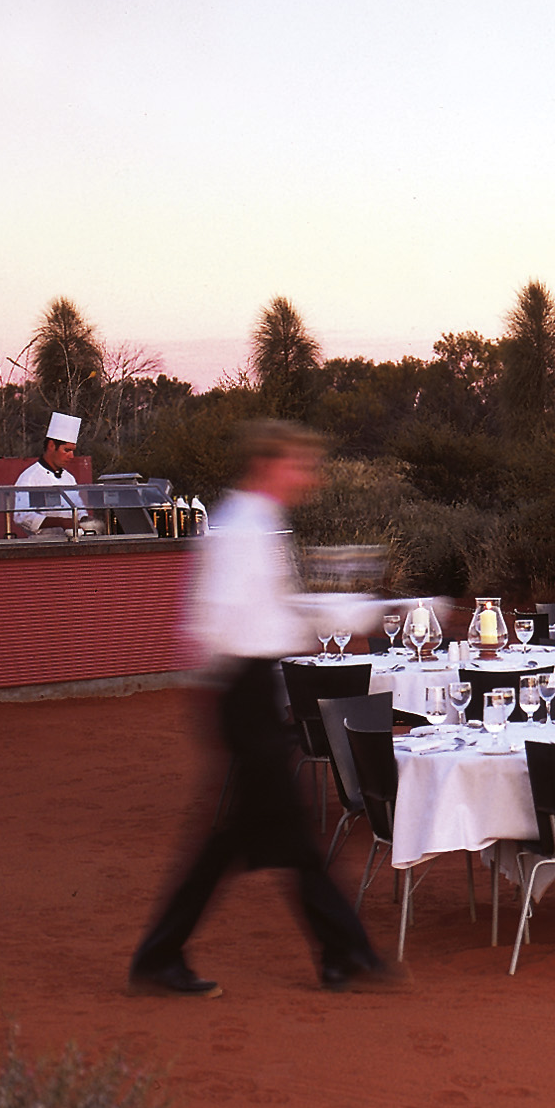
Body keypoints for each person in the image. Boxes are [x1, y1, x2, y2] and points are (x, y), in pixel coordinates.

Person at [129, 420, 401, 997]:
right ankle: (344, 952)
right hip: (240, 691)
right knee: (280, 837)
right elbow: (214, 618)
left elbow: (273, 612)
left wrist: (339, 614)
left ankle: (338, 954)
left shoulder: (260, 524)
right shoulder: (240, 528)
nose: (305, 476)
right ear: (269, 466)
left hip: (252, 690)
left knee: (247, 837)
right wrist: (237, 693)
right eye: (297, 465)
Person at [11, 411, 94, 537]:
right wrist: (60, 522)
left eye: (73, 451)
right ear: (51, 445)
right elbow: (21, 516)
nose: (71, 456)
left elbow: (79, 507)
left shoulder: (69, 479)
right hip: (43, 544)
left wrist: (84, 520)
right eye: (67, 450)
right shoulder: (29, 478)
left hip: (72, 542)